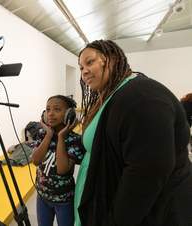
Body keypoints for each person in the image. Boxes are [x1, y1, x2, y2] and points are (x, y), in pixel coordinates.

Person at [75, 40, 192, 226]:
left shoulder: (141, 96)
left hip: (153, 213)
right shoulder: (113, 95)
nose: (84, 71)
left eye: (90, 62)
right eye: (81, 67)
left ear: (112, 59)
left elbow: (147, 173)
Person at [31, 95, 85, 226]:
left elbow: (62, 169)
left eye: (57, 109)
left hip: (64, 200)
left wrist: (61, 137)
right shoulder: (43, 134)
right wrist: (49, 135)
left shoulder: (74, 140)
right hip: (42, 196)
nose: (50, 114)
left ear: (69, 114)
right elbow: (36, 161)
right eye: (48, 109)